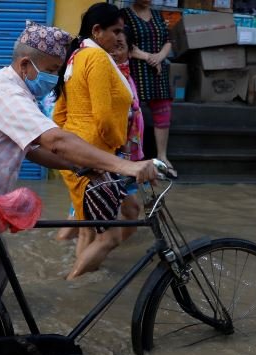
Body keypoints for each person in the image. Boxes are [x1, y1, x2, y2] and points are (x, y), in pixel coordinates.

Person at [0, 20, 158, 298]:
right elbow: (57, 140)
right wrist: (126, 165)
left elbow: (33, 150)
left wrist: (77, 166)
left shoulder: (8, 88)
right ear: (26, 64)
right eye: (52, 70)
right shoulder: (7, 95)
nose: (53, 78)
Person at [54, 3, 135, 280]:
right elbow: (102, 116)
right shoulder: (98, 59)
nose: (119, 37)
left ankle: (80, 293)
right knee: (109, 238)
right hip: (95, 156)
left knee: (88, 230)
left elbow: (58, 114)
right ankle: (71, 283)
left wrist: (69, 145)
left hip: (75, 154)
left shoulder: (75, 57)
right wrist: (119, 145)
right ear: (97, 31)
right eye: (115, 31)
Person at [121, 0, 177, 179]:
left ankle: (162, 157)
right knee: (131, 114)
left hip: (157, 70)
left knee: (163, 112)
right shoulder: (124, 16)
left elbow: (168, 41)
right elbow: (125, 46)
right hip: (135, 69)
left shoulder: (158, 15)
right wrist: (149, 57)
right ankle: (129, 159)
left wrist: (159, 56)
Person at [112, 30, 144, 241]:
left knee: (132, 211)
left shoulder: (126, 77)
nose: (114, 51)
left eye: (120, 47)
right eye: (111, 47)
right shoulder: (110, 76)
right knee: (82, 221)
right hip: (110, 156)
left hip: (124, 157)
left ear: (130, 52)